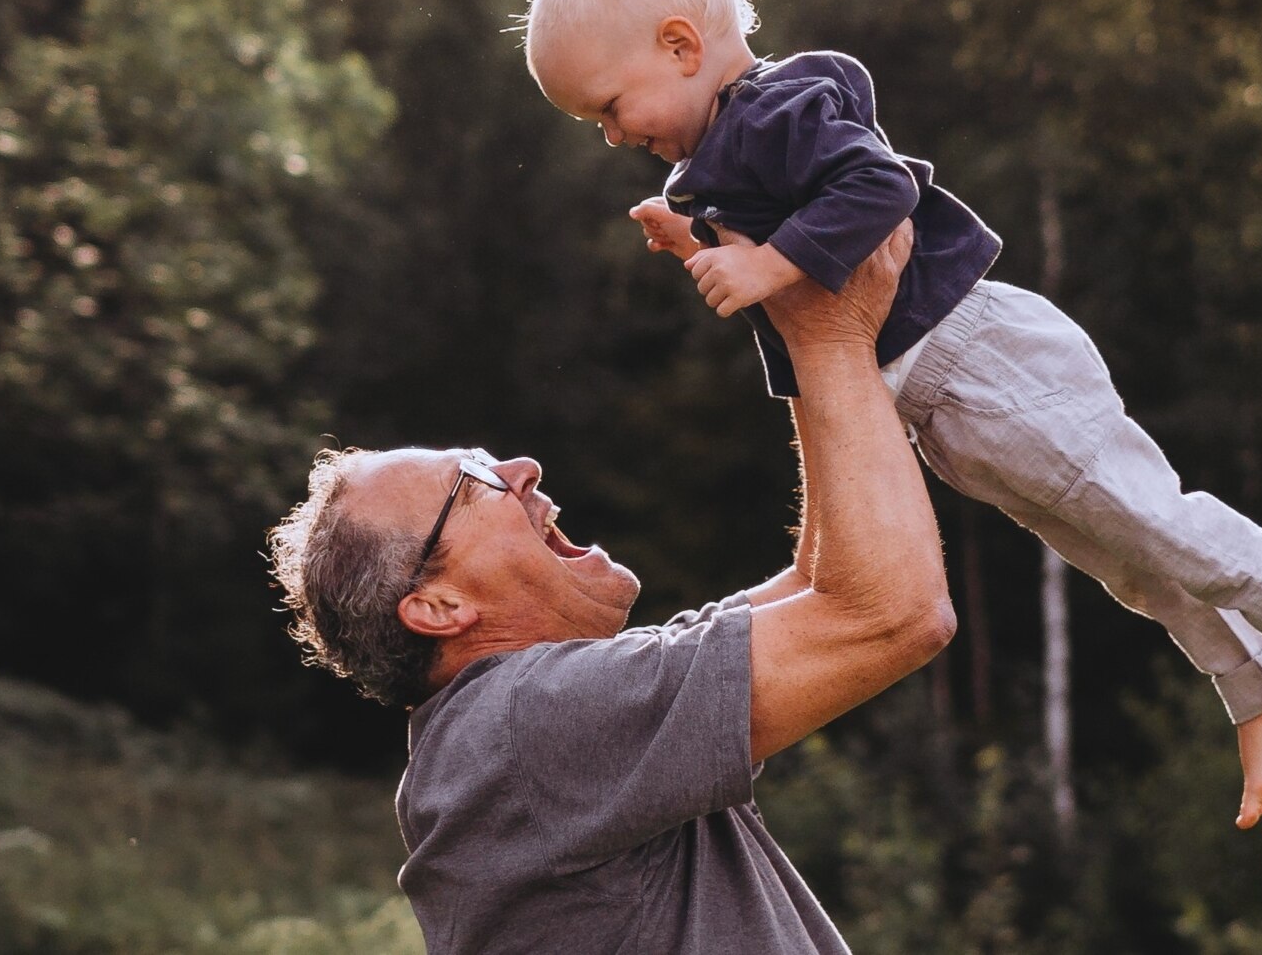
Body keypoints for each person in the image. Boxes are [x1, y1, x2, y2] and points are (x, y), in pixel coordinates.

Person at [505, 0, 1262, 830]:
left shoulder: (775, 113)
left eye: (608, 106)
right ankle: (1260, 681)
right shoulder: (722, 156)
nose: (612, 135)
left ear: (682, 46)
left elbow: (879, 187)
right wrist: (706, 249)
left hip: (982, 356)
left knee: (1151, 519)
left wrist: (763, 260)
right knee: (1123, 555)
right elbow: (806, 311)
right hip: (942, 407)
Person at [268, 226, 947, 953]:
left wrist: (782, 314)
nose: (522, 466)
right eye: (474, 477)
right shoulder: (529, 723)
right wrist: (834, 336)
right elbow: (894, 611)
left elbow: (824, 582)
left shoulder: (518, 730)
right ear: (439, 607)